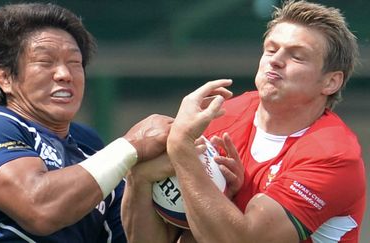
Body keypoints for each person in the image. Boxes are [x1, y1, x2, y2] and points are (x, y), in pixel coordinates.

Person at [122, 1, 366, 242]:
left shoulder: (334, 157)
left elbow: (243, 239)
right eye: (270, 49)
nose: (276, 60)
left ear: (331, 82)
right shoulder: (223, 117)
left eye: (297, 56)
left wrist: (181, 149)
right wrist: (139, 178)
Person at [0, 3, 173, 242]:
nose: (64, 74)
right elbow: (39, 207)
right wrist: (131, 146)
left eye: (75, 63)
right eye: (45, 62)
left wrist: (184, 169)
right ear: (5, 78)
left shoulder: (92, 155)